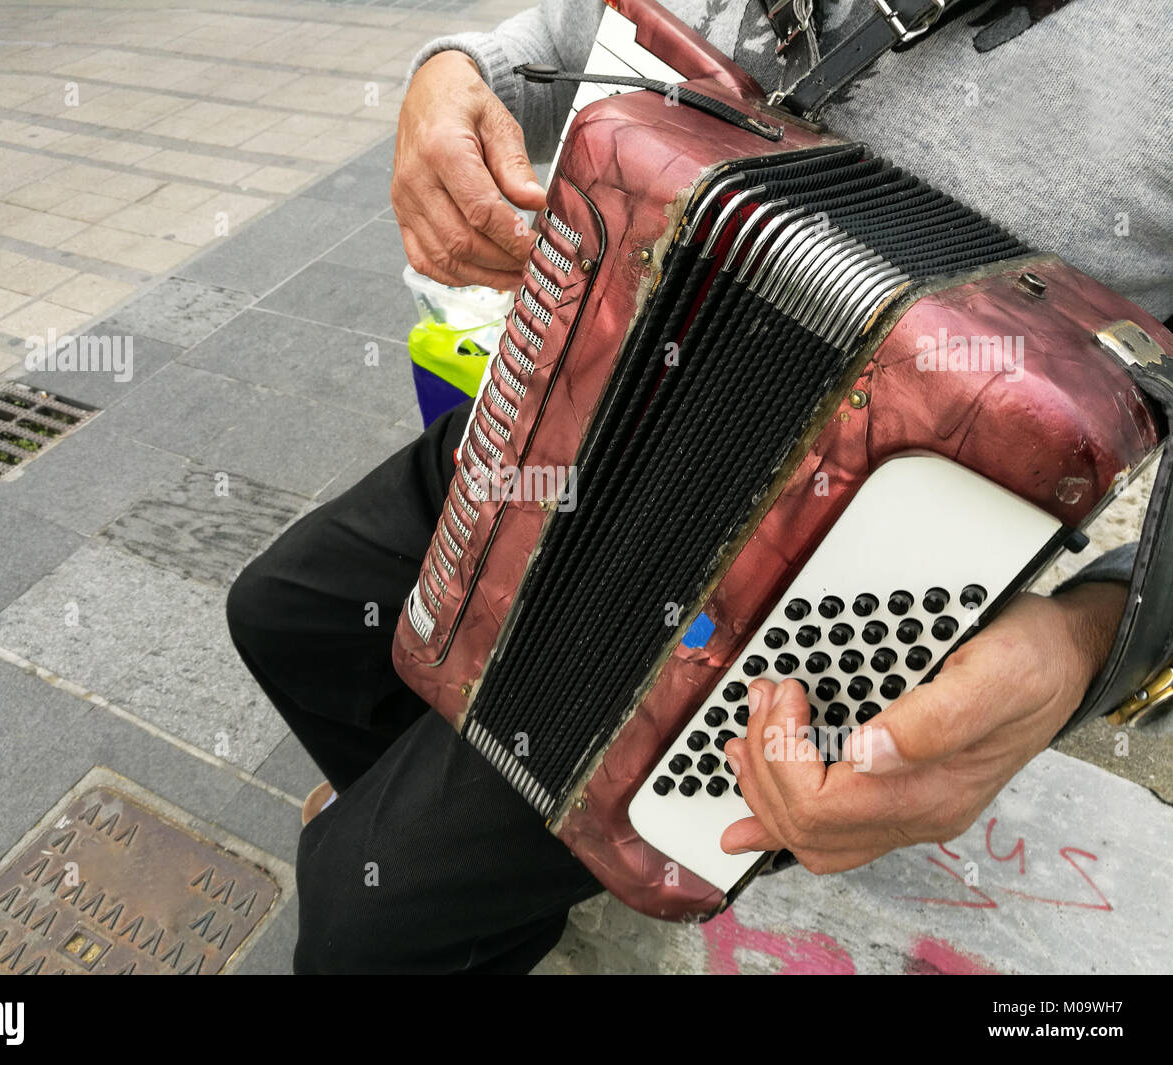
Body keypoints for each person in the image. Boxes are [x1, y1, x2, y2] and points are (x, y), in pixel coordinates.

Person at [226, 0, 1172, 973]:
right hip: (582, 405)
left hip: (797, 592)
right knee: (287, 616)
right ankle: (463, 866)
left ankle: (447, 876)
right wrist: (454, 77)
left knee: (360, 917)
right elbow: (560, 44)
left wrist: (1086, 638)